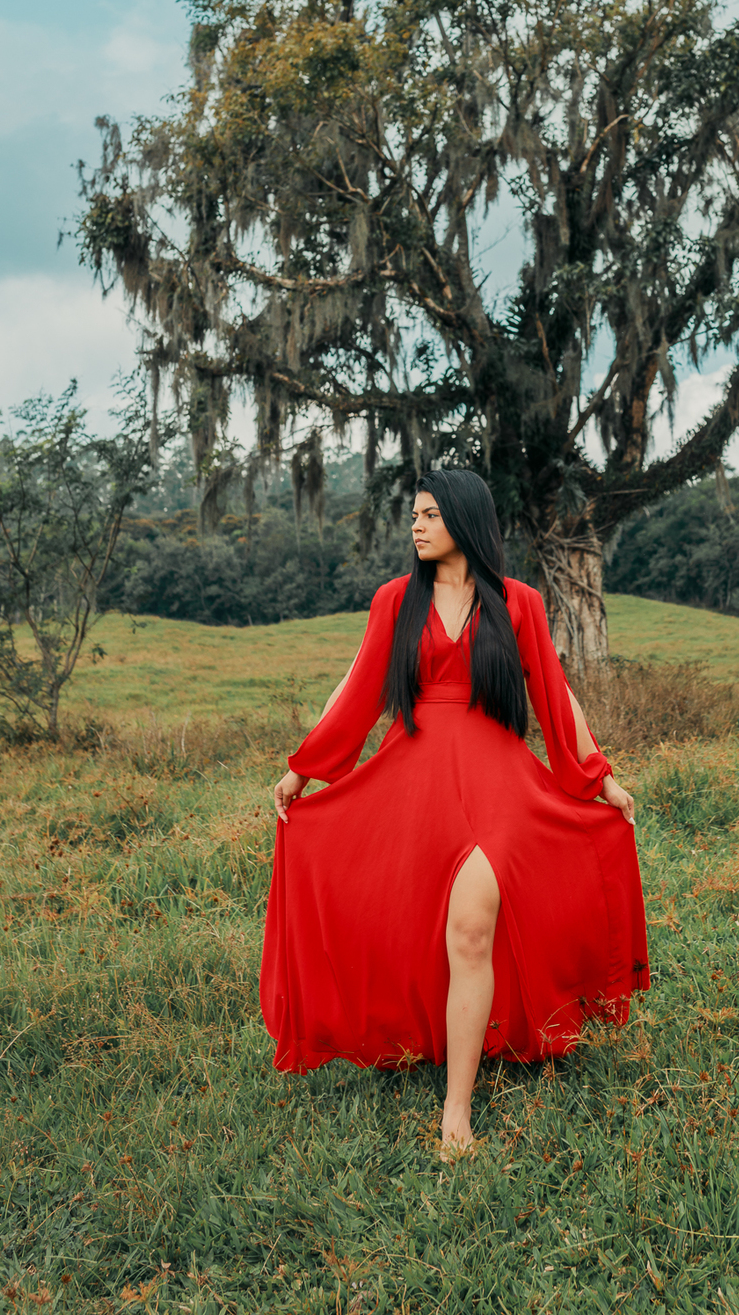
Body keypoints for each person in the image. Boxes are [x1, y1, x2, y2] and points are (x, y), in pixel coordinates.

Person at [260, 468, 649, 1155]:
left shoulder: (519, 603)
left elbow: (556, 698)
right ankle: (426, 1039)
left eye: (431, 515)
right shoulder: (394, 602)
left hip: (497, 779)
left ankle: (456, 1113)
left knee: (471, 927)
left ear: (465, 520)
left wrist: (600, 778)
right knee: (420, 922)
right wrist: (304, 769)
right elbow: (357, 692)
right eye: (413, 515)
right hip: (413, 779)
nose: (416, 526)